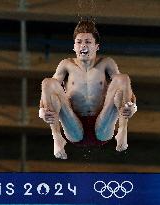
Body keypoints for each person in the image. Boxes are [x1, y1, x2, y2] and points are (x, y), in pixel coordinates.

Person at [39, 20, 137, 159]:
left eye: (88, 42)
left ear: (97, 46)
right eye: (79, 42)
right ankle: (57, 138)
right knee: (47, 82)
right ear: (74, 46)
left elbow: (125, 88)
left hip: (103, 125)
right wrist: (42, 111)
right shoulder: (66, 65)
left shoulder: (106, 63)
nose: (83, 45)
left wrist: (132, 106)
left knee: (123, 78)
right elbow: (47, 92)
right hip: (73, 125)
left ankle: (122, 131)